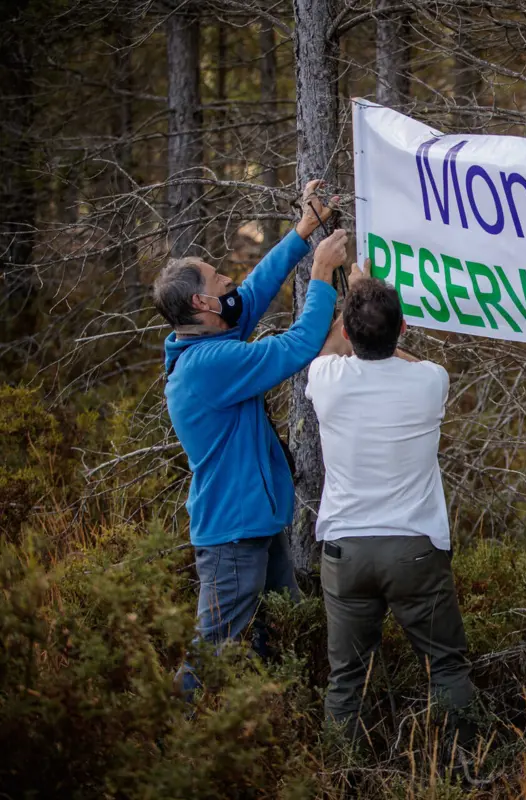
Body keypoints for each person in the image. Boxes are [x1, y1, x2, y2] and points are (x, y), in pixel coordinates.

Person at [153, 180, 346, 696]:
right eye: (220, 281)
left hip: (256, 524)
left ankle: (273, 729)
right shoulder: (210, 365)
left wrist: (303, 233)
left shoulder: (211, 336)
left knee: (277, 636)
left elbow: (255, 291)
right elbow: (296, 346)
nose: (230, 282)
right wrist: (322, 275)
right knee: (213, 650)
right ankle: (174, 735)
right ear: (202, 303)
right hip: (232, 536)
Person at [304, 269, 474, 749]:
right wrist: (376, 310)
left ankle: (339, 774)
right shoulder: (430, 380)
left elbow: (336, 350)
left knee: (346, 678)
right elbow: (399, 356)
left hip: (345, 551)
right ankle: (461, 770)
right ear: (402, 330)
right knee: (445, 665)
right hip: (414, 550)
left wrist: (353, 305)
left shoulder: (326, 377)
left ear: (345, 331)